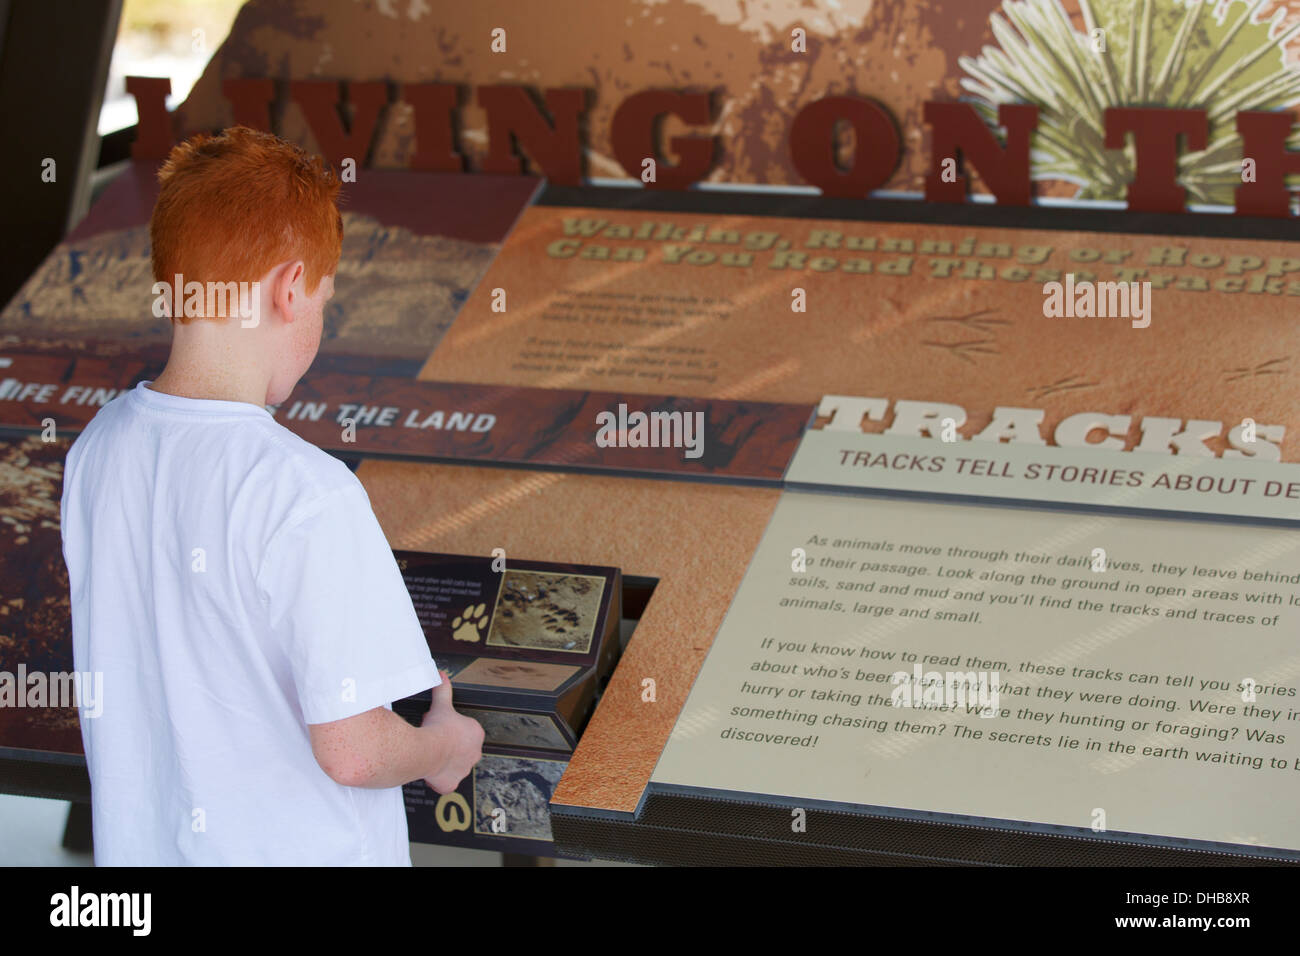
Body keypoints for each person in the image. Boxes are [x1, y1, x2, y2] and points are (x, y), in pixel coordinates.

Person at [59, 126, 483, 865]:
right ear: (290, 290)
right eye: (324, 298)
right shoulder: (306, 492)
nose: (318, 316)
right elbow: (352, 752)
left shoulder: (97, 450)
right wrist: (441, 748)